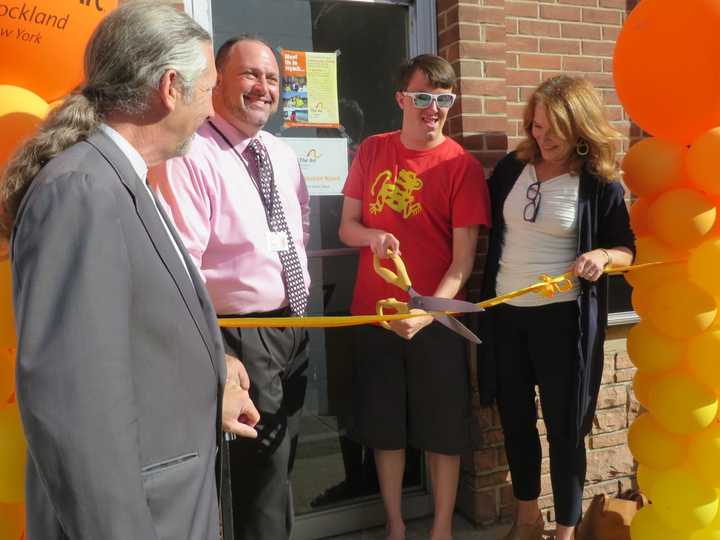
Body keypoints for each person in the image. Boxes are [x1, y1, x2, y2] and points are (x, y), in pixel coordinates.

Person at [0, 3, 261, 540]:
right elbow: (77, 407)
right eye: (208, 87)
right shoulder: (84, 189)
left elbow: (136, 335)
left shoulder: (122, 178)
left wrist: (213, 376)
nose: (212, 106)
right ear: (171, 87)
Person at [152, 35, 310, 540]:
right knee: (255, 476)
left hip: (294, 330)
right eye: (250, 75)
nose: (263, 87)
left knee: (281, 464)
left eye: (272, 78)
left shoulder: (280, 154)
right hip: (240, 336)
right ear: (218, 81)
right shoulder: (192, 153)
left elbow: (297, 230)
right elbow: (183, 265)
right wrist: (217, 351)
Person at [338, 54, 491, 540]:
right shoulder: (372, 150)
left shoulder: (460, 166)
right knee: (386, 430)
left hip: (435, 322)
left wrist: (427, 313)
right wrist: (374, 237)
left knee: (443, 431)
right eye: (423, 97)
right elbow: (347, 227)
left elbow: (463, 261)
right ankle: (396, 526)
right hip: (375, 315)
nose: (434, 108)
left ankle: (441, 528)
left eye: (444, 99)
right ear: (401, 99)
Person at [478, 75, 635, 540]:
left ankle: (565, 531)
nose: (540, 137)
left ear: (580, 129)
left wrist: (602, 256)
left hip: (562, 322)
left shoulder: (599, 184)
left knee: (566, 431)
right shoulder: (511, 168)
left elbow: (626, 249)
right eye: (535, 126)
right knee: (517, 424)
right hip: (506, 316)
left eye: (552, 130)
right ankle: (527, 521)